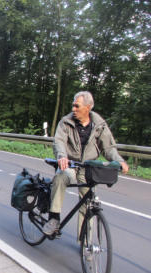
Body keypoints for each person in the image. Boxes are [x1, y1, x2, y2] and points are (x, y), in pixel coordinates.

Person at [43, 91, 129, 236]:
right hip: (69, 164)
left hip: (88, 167)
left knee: (87, 203)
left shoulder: (99, 125)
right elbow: (59, 142)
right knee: (60, 177)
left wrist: (119, 160)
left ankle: (84, 242)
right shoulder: (66, 122)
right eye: (73, 105)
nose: (73, 109)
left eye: (77, 106)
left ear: (88, 108)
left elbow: (108, 148)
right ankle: (54, 218)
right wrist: (62, 156)